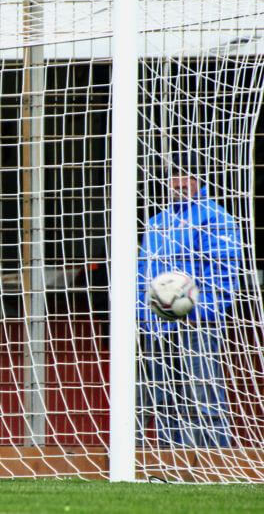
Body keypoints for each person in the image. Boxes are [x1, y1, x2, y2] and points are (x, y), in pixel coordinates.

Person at [136, 151, 243, 448]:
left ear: (200, 180)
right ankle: (170, 456)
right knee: (161, 400)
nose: (180, 182)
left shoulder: (216, 218)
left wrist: (193, 308)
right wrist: (143, 313)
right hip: (157, 325)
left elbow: (224, 274)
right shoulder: (156, 223)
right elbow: (142, 273)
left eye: (188, 176)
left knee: (202, 396)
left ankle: (214, 459)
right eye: (174, 176)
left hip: (198, 324)